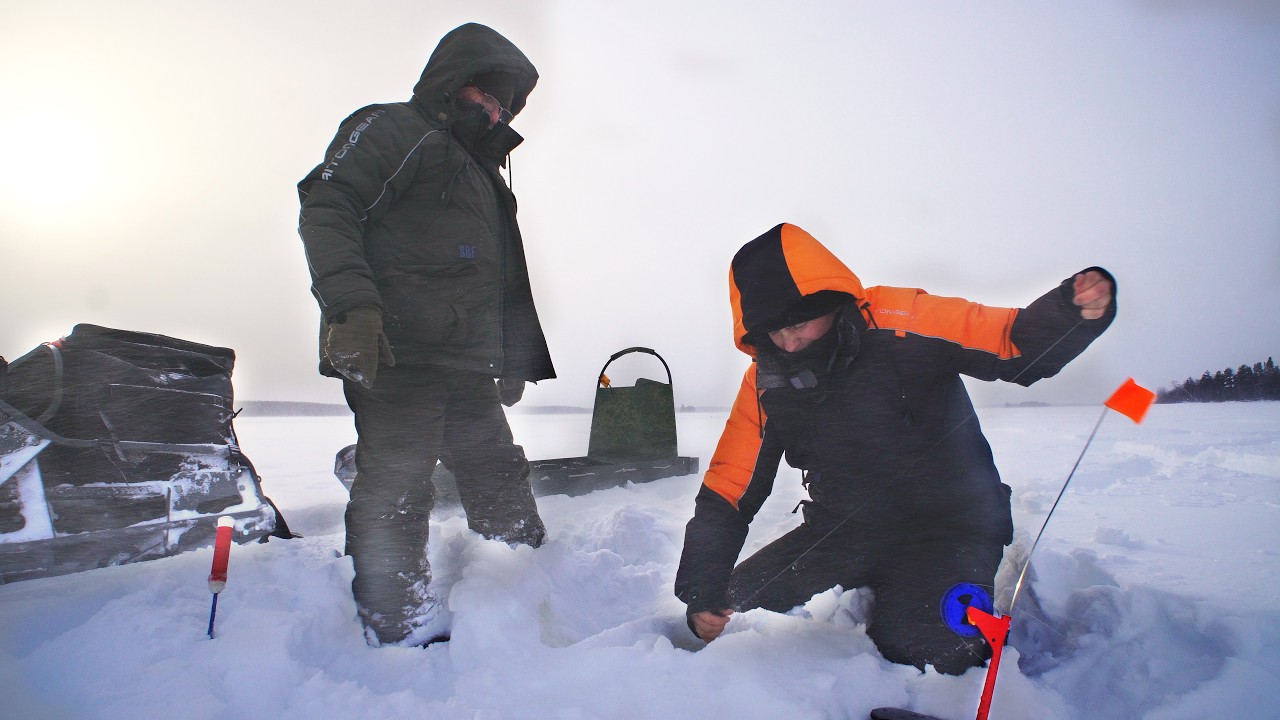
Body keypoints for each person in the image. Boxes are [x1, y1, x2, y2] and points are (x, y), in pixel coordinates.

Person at [674, 223, 1115, 674]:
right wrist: (703, 587)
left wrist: (1069, 311)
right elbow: (730, 488)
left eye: (799, 325)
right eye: (774, 332)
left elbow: (1012, 342)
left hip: (950, 525)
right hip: (844, 530)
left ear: (831, 301)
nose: (788, 343)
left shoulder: (904, 319)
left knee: (922, 652)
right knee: (735, 602)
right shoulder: (765, 381)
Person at [296, 23, 555, 646]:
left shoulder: (484, 175)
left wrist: (510, 356)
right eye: (484, 95)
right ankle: (399, 620)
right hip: (398, 352)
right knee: (398, 483)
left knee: (496, 469)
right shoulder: (394, 129)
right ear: (451, 82)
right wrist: (352, 307)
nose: (492, 112)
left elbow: (499, 280)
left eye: (502, 107)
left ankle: (525, 577)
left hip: (465, 363)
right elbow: (329, 204)